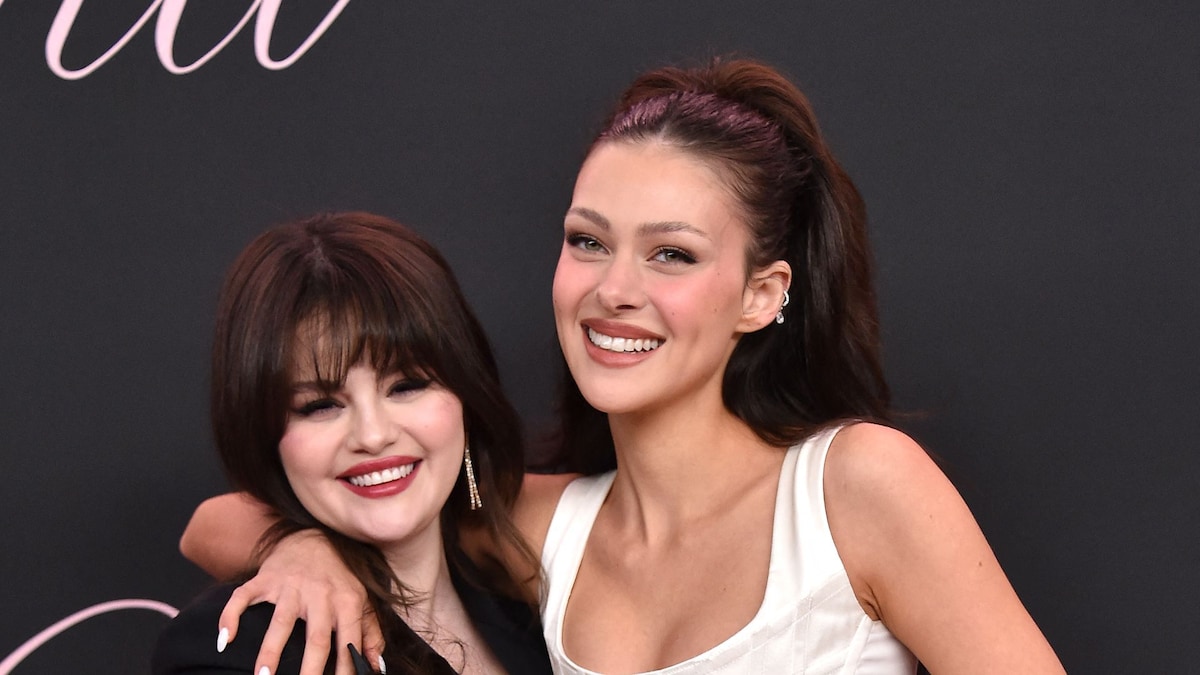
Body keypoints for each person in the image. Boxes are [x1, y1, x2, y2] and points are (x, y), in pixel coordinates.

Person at [182, 60, 1067, 674]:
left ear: (761, 295)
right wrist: (303, 551)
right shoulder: (536, 527)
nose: (614, 290)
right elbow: (224, 520)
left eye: (671, 254)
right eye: (588, 241)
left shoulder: (855, 488)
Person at [153, 212, 552, 675]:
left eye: (406, 386)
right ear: (266, 438)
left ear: (467, 395)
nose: (373, 435)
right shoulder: (237, 651)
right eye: (320, 405)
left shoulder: (535, 619)